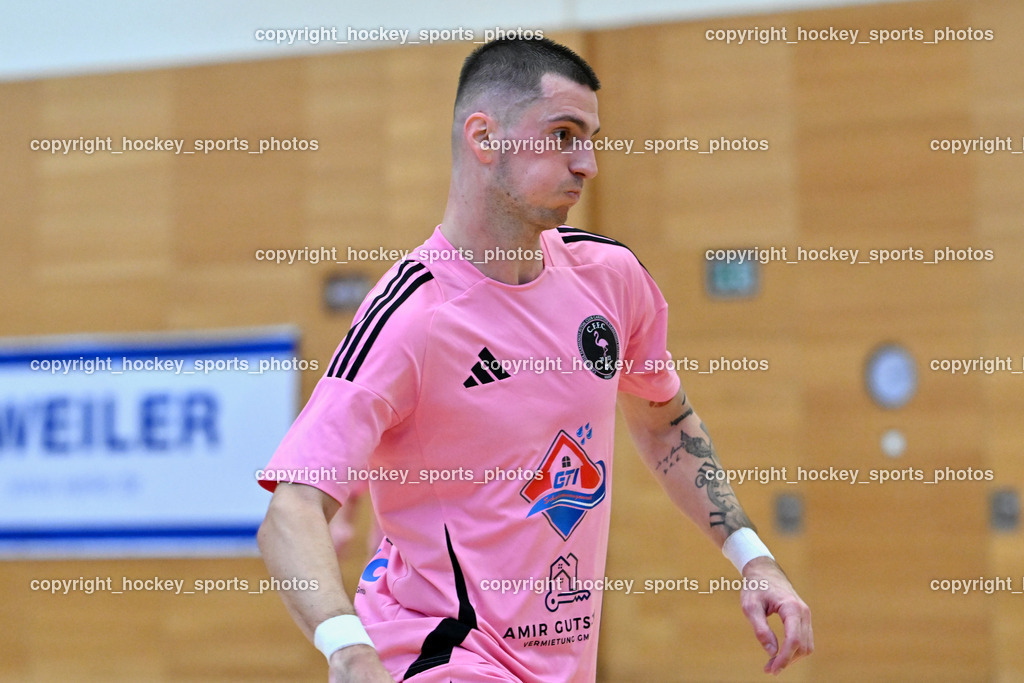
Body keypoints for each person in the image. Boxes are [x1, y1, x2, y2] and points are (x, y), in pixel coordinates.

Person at [257, 37, 812, 682]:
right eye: (564, 133)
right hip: (441, 656)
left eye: (593, 136)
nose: (589, 163)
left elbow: (665, 421)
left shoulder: (611, 279)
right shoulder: (413, 313)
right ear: (484, 136)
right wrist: (349, 651)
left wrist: (753, 556)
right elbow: (292, 509)